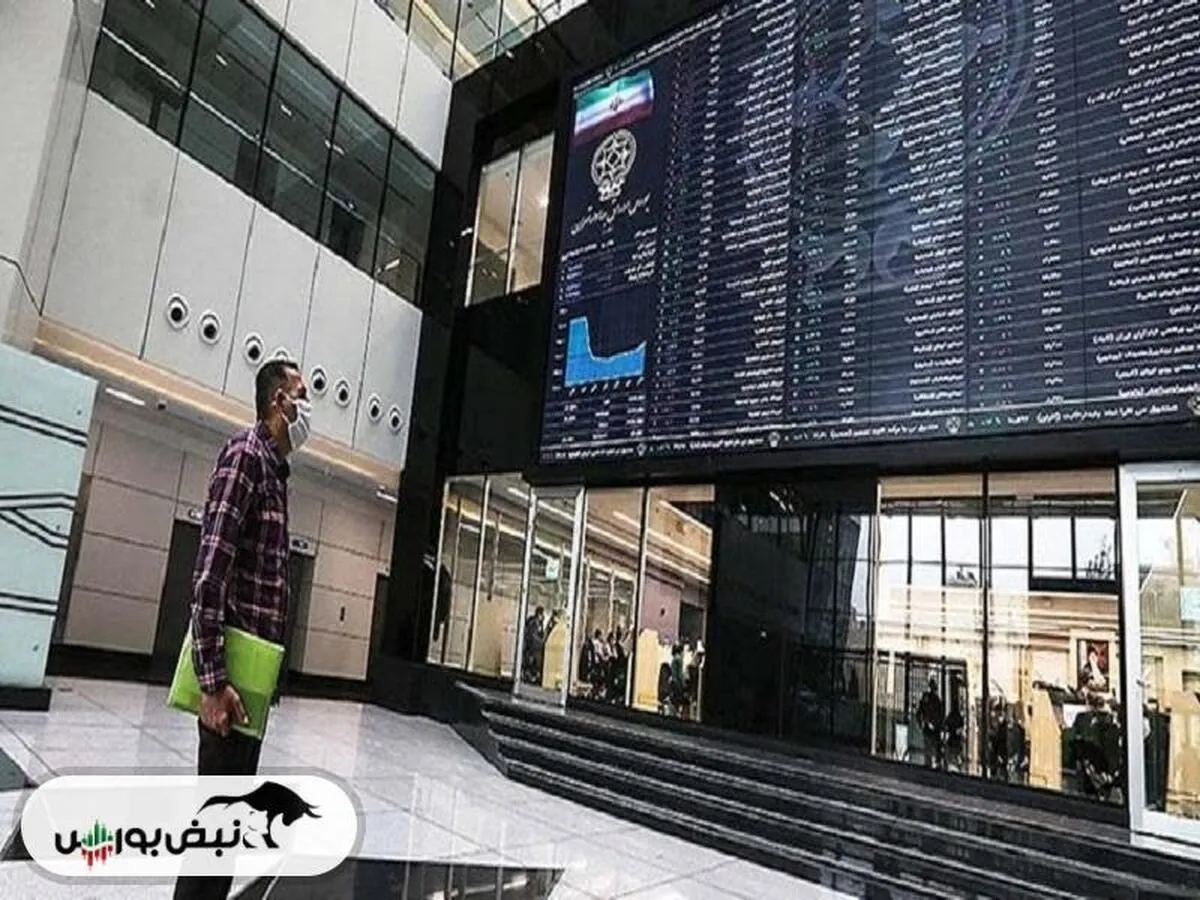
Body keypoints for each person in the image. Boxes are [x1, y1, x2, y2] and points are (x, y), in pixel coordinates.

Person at [174, 359, 309, 900]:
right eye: (303, 395)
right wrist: (212, 683)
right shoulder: (245, 458)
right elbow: (210, 573)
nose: (308, 408)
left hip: (250, 683)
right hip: (227, 683)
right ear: (279, 401)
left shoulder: (275, 473)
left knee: (226, 832)